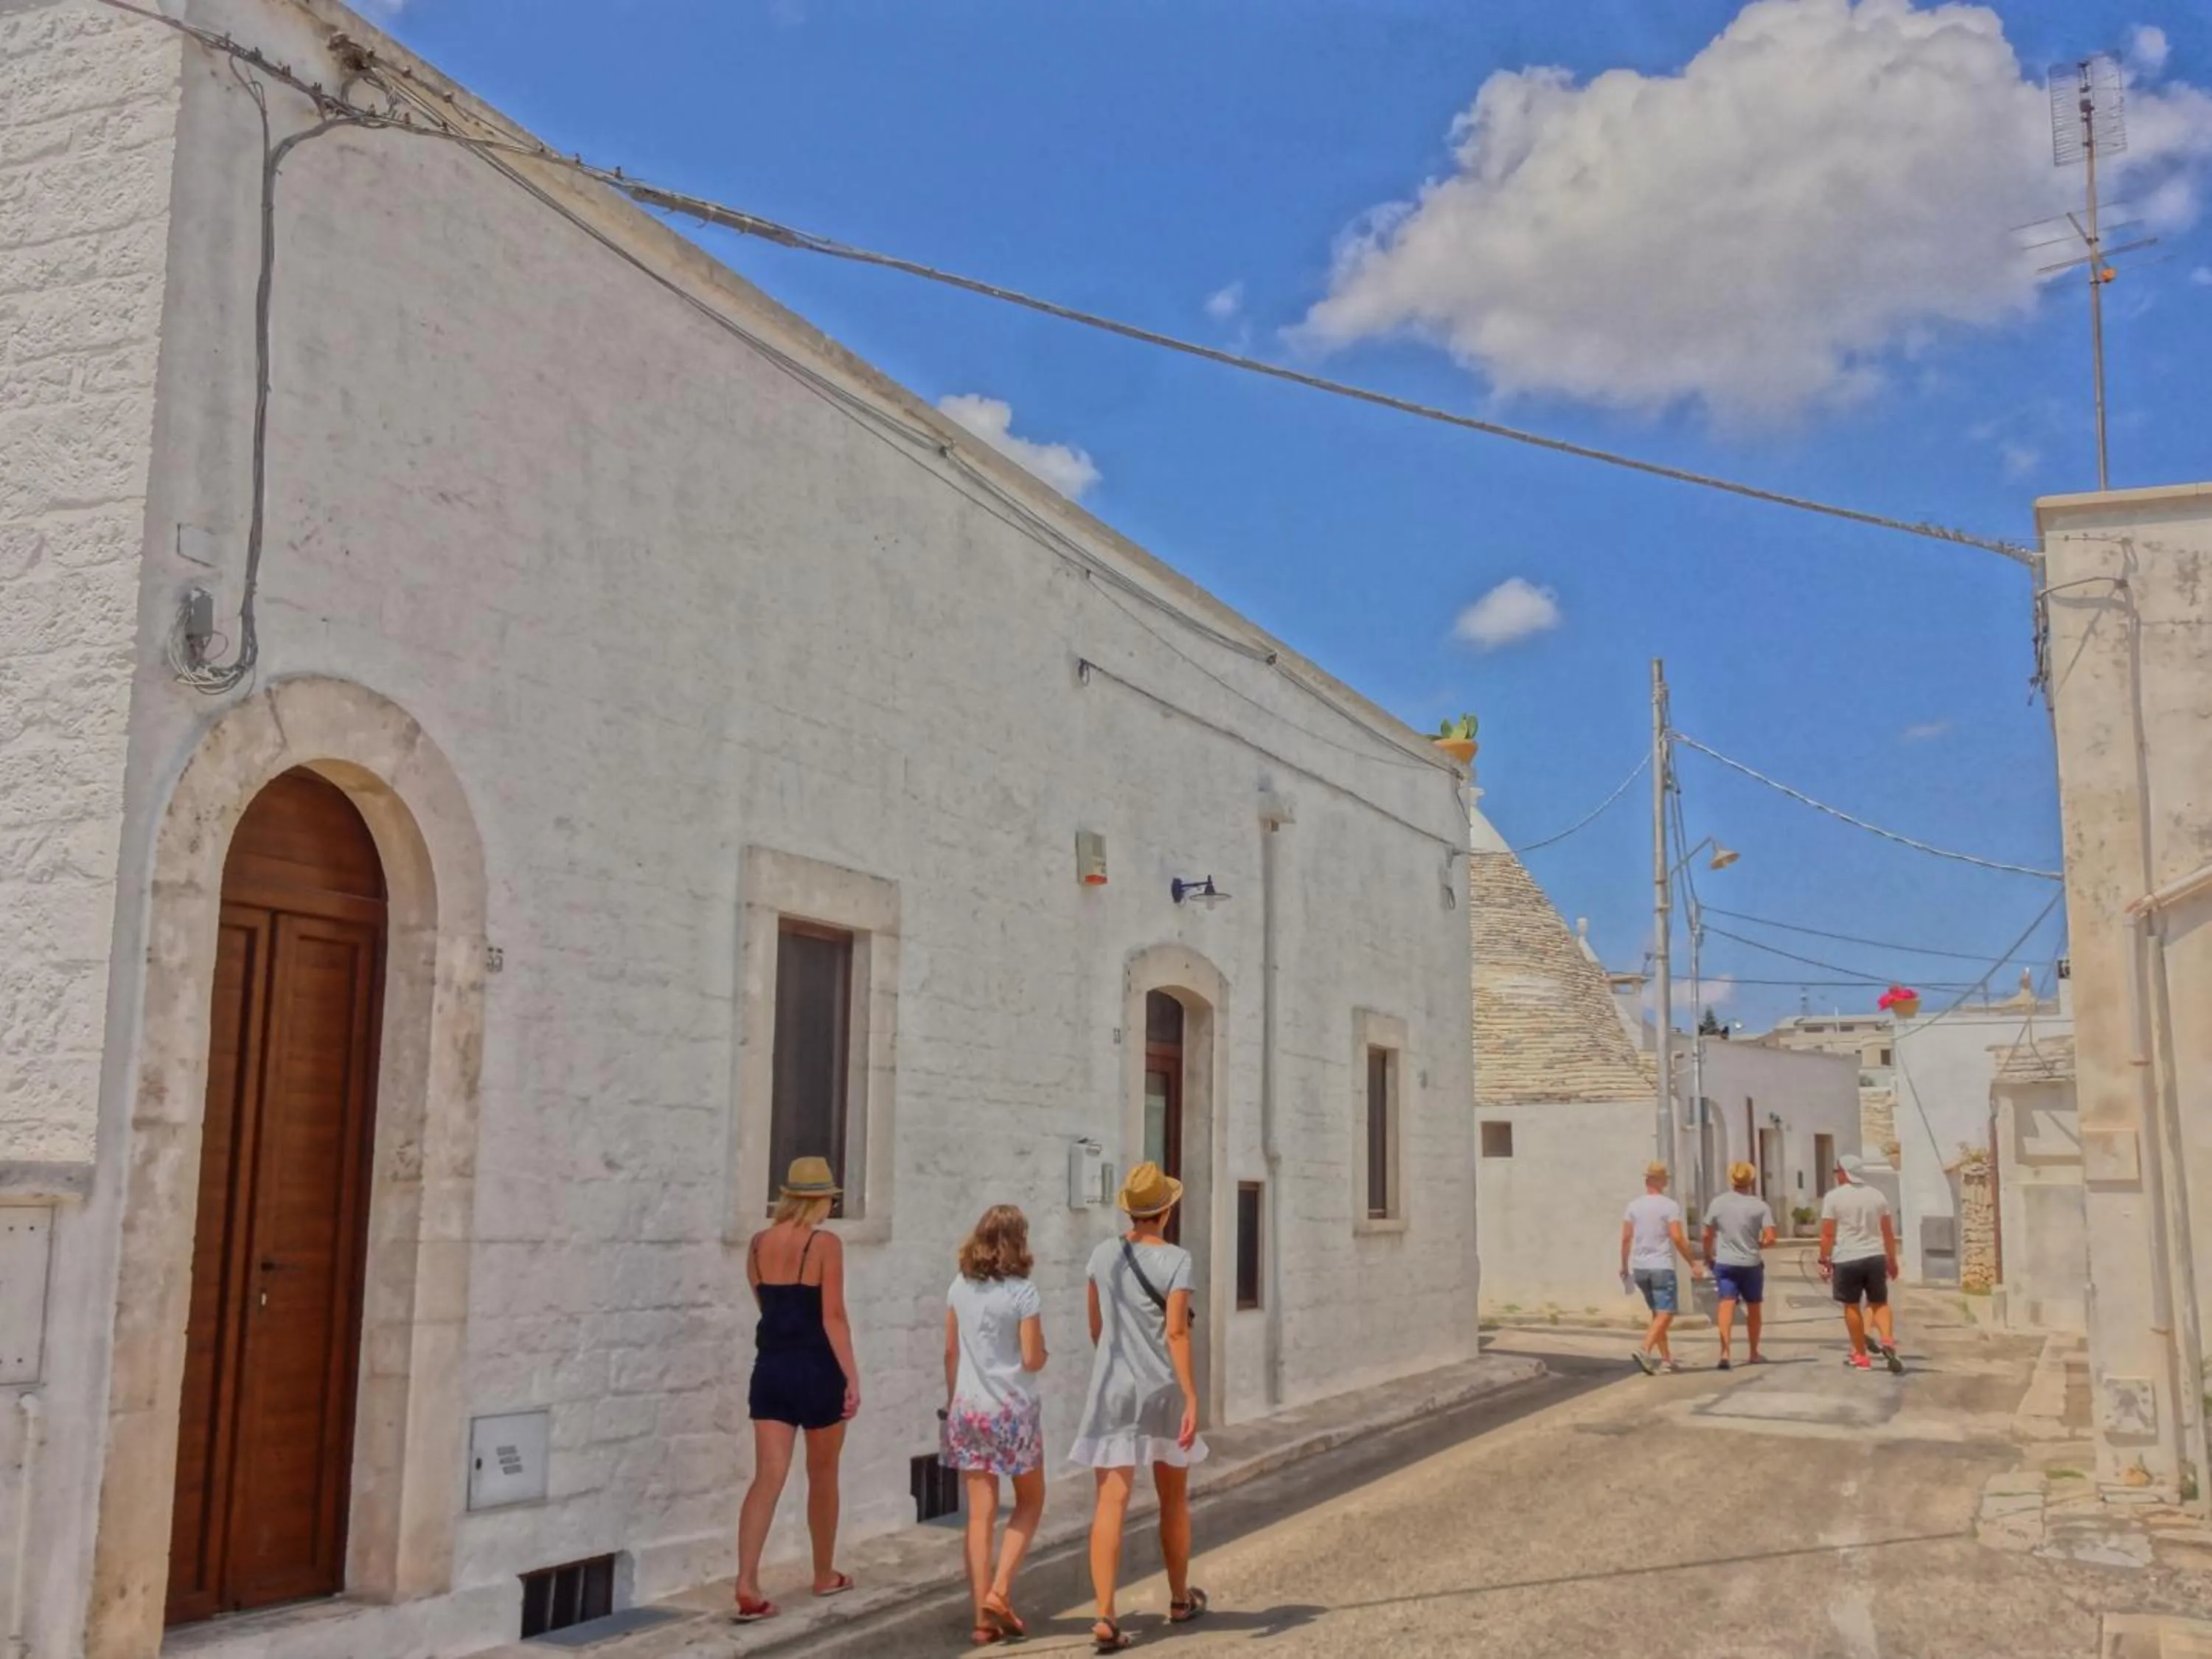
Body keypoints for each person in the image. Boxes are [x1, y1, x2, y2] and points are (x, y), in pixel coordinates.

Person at [1070, 1162, 1209, 1652]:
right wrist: (1192, 1395)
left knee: (1110, 1501)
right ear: (1166, 1210)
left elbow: (1094, 1327)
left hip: (1114, 1387)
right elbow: (1176, 1332)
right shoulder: (1177, 1260)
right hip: (1162, 1389)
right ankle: (1178, 1598)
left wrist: (1113, 1362)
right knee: (1173, 1497)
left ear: (1130, 1210)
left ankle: (1105, 1614)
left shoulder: (1102, 1255)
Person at [733, 1157, 861, 1623]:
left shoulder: (757, 1245)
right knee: (823, 1474)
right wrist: (850, 1375)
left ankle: (746, 1581)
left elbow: (766, 1306)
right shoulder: (824, 1244)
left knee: (767, 1475)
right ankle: (824, 1573)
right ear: (819, 1199)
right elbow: (833, 1317)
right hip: (817, 1368)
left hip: (770, 1369)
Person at [942, 1205, 1049, 1647]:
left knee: (980, 1514)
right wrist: (1044, 1351)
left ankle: (980, 1621)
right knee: (1030, 1500)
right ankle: (1000, 1590)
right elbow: (1030, 1358)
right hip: (1013, 1412)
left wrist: (954, 1403)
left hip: (968, 1410)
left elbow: (950, 1353)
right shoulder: (1024, 1293)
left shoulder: (958, 1287)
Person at [1820, 1152, 1905, 1374]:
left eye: (1838, 1171)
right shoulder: (1877, 1196)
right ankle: (1887, 1339)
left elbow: (1828, 1234)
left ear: (1845, 1173)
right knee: (1880, 1302)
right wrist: (1892, 1260)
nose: (1837, 1175)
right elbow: (1887, 1232)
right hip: (1875, 1257)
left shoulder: (1834, 1197)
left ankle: (1860, 1355)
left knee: (1851, 1305)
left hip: (1847, 1258)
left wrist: (1824, 1259)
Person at [1620, 1161, 1703, 1374]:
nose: (1667, 1182)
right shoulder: (1669, 1206)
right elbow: (1676, 1237)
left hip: (1640, 1267)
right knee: (1666, 1313)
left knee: (1658, 1313)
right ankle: (1644, 1349)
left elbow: (1626, 1238)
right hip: (1661, 1266)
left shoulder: (1633, 1206)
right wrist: (1692, 1262)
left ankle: (1666, 1359)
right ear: (1659, 1181)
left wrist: (1624, 1265)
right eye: (1665, 1178)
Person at [1701, 1161, 1777, 1370]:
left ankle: (1725, 1353)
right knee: (1754, 1306)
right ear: (1751, 1181)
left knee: (1726, 1304)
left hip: (1725, 1262)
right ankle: (1753, 1352)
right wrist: (1757, 1244)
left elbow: (1706, 1234)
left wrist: (1708, 1255)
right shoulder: (1760, 1206)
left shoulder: (1718, 1203)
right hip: (1751, 1262)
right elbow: (1771, 1238)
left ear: (1731, 1180)